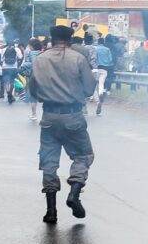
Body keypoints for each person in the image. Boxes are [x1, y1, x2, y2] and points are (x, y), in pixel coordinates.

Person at [29, 25, 97, 223]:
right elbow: (89, 87)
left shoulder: (40, 59)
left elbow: (32, 89)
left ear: (52, 39)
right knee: (83, 155)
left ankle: (51, 211)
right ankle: (74, 192)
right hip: (73, 116)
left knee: (49, 162)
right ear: (70, 39)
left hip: (49, 116)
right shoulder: (78, 58)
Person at [19, 38, 43, 121]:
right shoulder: (43, 54)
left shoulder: (29, 54)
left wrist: (22, 69)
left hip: (32, 76)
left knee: (33, 96)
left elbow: (27, 64)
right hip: (43, 76)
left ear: (32, 46)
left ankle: (34, 114)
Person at [94, 37, 113, 116]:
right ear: (103, 42)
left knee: (95, 85)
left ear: (98, 42)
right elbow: (110, 59)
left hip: (96, 68)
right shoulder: (107, 49)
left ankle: (97, 100)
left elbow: (94, 58)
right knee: (101, 84)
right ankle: (101, 94)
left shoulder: (95, 49)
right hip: (105, 69)